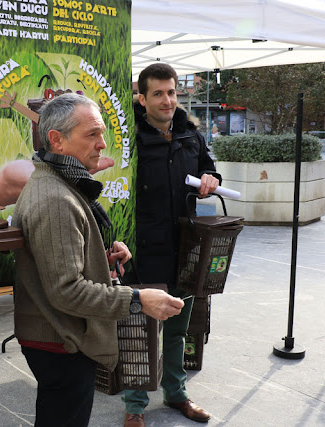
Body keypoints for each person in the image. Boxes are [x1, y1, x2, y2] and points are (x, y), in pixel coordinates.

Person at [12, 92, 184, 427]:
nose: (102, 144)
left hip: (58, 336)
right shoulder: (56, 199)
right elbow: (67, 291)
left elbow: (57, 263)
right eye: (92, 134)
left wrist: (98, 259)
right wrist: (139, 299)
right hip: (62, 340)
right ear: (57, 140)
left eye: (102, 133)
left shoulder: (56, 183)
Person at [123, 63, 221, 427]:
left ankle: (176, 393)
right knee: (142, 329)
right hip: (143, 248)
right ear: (142, 98)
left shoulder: (190, 135)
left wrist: (211, 178)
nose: (167, 100)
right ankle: (135, 404)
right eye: (158, 93)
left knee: (179, 325)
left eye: (172, 92)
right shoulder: (129, 138)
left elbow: (210, 170)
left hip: (184, 246)